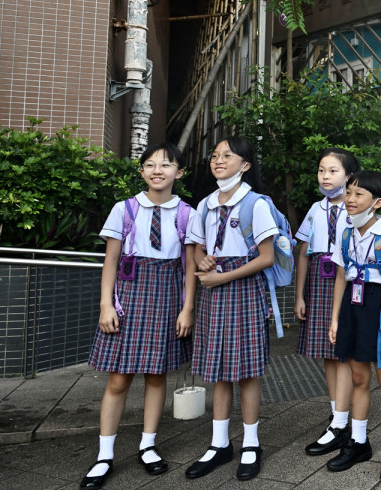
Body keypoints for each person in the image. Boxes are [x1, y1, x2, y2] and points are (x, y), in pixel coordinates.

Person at [80, 143, 196, 489]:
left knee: (156, 376)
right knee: (118, 379)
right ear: (142, 170)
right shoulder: (125, 208)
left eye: (166, 164)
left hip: (167, 297)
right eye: (150, 165)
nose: (157, 170)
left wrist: (187, 308)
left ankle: (148, 446)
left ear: (180, 172)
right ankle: (104, 455)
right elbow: (111, 261)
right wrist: (105, 305)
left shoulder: (187, 213)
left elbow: (189, 266)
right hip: (129, 298)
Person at [184, 136, 277, 481]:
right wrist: (203, 259)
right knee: (218, 368)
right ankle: (219, 443)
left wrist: (223, 277)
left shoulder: (256, 204)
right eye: (214, 155)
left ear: (245, 165)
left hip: (243, 289)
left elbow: (266, 257)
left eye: (227, 156)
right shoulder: (206, 204)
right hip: (213, 290)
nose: (218, 160)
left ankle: (251, 443)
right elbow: (196, 248)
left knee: (247, 369)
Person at [327, 170, 381, 481]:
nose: (350, 199)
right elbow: (340, 275)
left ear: (376, 202)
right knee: (358, 375)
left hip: (378, 307)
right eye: (348, 192)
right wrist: (335, 317)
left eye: (357, 194)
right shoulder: (346, 232)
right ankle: (359, 442)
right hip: (352, 303)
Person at [295, 148, 360, 457]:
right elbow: (304, 253)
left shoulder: (356, 207)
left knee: (342, 351)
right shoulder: (314, 210)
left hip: (348, 281)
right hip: (318, 283)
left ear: (348, 176)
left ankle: (340, 421)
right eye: (321, 170)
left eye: (333, 171)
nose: (325, 176)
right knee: (327, 352)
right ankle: (338, 415)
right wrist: (299, 295)